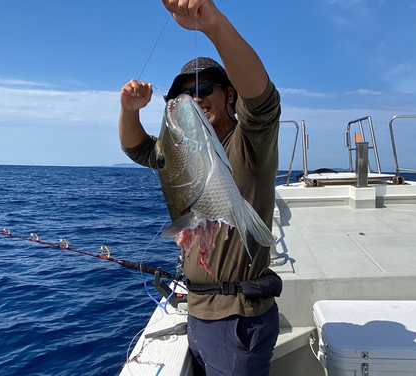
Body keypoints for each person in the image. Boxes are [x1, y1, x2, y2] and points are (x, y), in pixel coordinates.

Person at [119, 1, 281, 375]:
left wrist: (213, 26)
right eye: (186, 94)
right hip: (198, 311)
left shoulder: (249, 140)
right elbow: (137, 148)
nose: (196, 97)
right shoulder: (179, 148)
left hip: (237, 318)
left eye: (205, 87)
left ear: (230, 95)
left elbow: (262, 101)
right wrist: (129, 110)